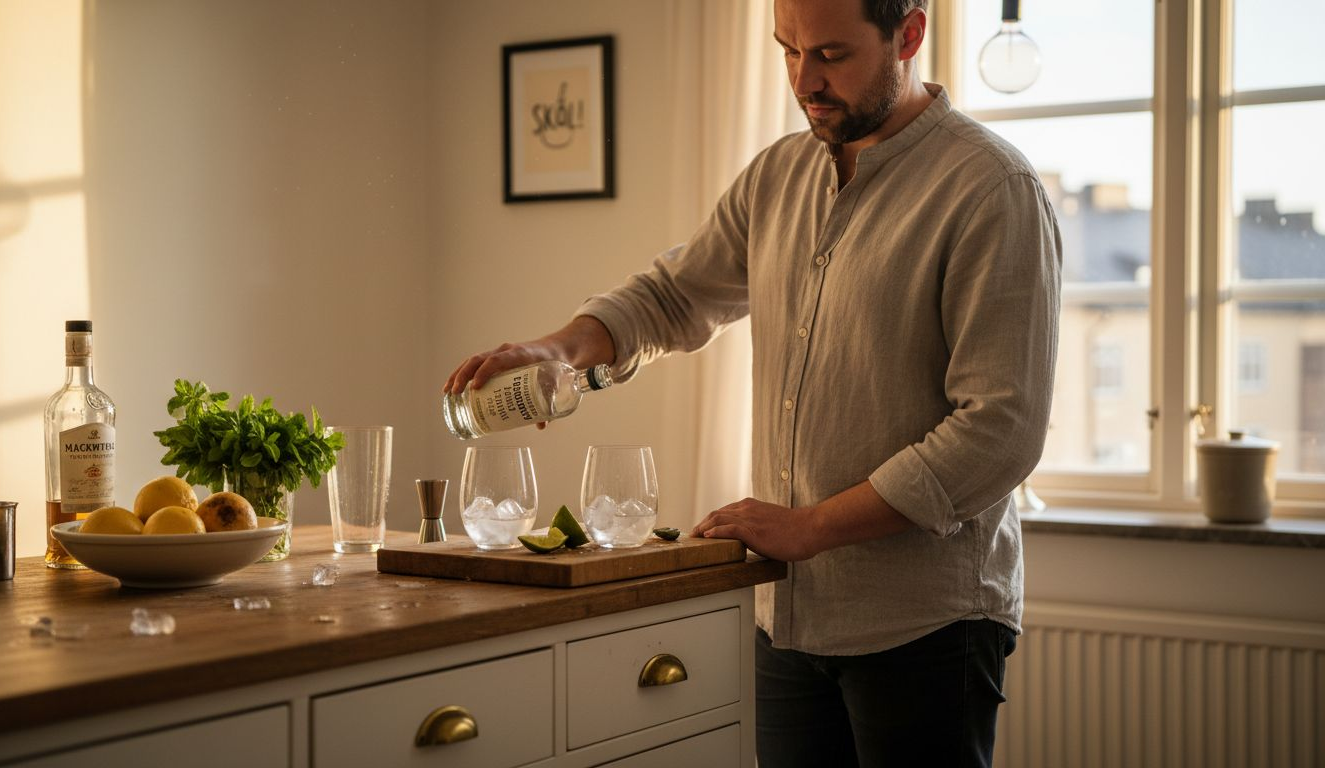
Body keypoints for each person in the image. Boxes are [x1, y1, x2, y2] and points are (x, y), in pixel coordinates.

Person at [444, 0, 1061, 764]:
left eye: (832, 54)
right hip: (788, 619)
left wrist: (809, 528)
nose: (806, 81)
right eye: (787, 51)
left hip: (927, 627)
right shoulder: (778, 173)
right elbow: (673, 295)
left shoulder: (991, 188)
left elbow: (999, 431)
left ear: (908, 34)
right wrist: (558, 348)